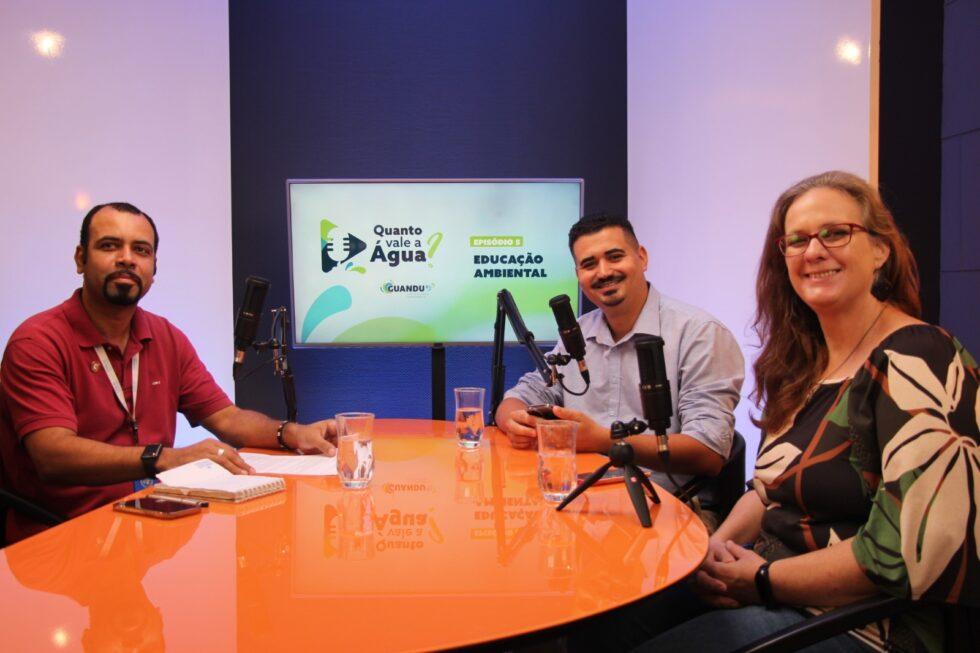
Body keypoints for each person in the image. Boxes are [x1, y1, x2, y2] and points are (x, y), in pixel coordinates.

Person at [637, 171, 979, 652]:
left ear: (880, 250)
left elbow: (909, 551)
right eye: (797, 240)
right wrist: (713, 552)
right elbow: (766, 489)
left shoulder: (916, 357)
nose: (813, 251)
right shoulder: (802, 365)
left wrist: (759, 580)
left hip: (861, 625)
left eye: (836, 233)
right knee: (618, 614)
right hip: (770, 585)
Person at [0, 202, 337, 544]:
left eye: (141, 250)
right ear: (80, 259)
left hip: (149, 523)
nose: (127, 259)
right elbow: (52, 456)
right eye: (109, 245)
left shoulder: (165, 337)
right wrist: (164, 458)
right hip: (59, 536)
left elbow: (227, 418)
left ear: (154, 267)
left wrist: (291, 432)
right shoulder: (38, 341)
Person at [494, 213, 744, 525]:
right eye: (589, 264)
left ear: (642, 257)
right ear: (578, 275)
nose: (603, 272)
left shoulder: (700, 334)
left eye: (614, 257)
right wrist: (512, 420)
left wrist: (601, 440)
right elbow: (525, 393)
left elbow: (708, 452)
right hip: (581, 507)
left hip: (668, 510)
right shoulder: (578, 332)